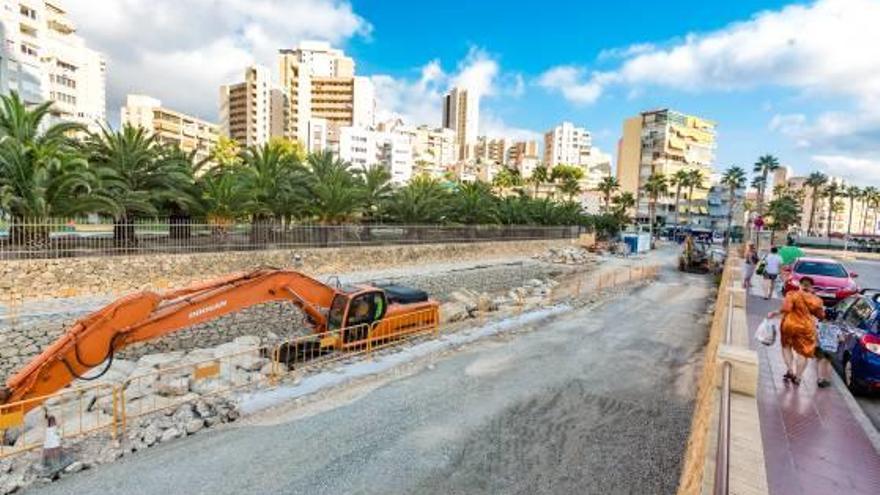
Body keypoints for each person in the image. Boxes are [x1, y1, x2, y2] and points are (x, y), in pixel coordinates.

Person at [767, 276, 825, 386]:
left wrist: (774, 313)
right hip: (806, 328)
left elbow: (786, 309)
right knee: (803, 353)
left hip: (789, 324)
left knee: (786, 346)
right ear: (811, 287)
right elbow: (821, 316)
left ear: (800, 284)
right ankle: (798, 377)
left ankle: (790, 370)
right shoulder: (817, 300)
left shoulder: (792, 294)